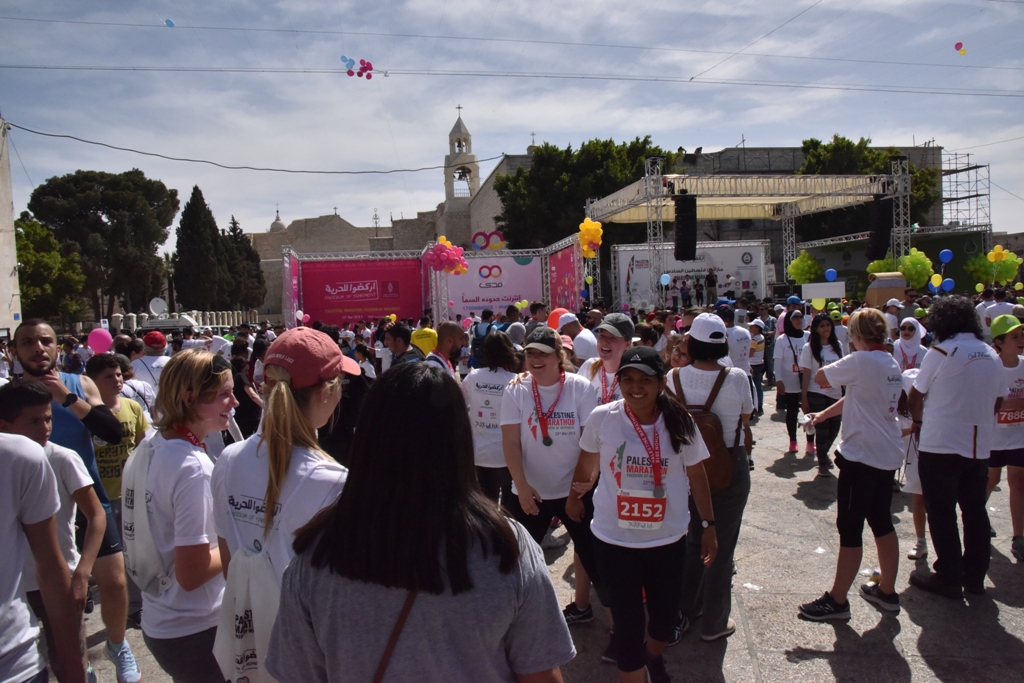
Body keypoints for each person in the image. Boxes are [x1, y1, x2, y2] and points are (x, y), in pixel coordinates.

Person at [266, 362, 575, 682]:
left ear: (366, 438)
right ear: (459, 439)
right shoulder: (506, 549)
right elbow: (542, 675)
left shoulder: (315, 557)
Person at [212, 328, 354, 682]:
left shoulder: (227, 460)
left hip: (250, 647)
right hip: (307, 657)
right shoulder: (336, 483)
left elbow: (230, 563)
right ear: (325, 392)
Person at [567, 346, 716, 683]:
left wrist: (708, 524)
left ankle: (653, 656)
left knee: (664, 622)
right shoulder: (603, 418)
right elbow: (587, 462)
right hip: (614, 540)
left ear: (661, 383)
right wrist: (575, 497)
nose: (636, 387)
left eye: (645, 380)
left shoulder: (680, 421)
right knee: (628, 625)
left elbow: (697, 474)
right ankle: (636, 666)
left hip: (667, 539)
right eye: (628, 379)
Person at [12, 319, 141, 683]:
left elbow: (112, 432)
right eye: (28, 342)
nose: (38, 348)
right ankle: (77, 663)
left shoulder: (79, 384)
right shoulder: (9, 396)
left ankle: (117, 645)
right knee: (54, 596)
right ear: (15, 351)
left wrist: (66, 399)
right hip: (35, 510)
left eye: (45, 340)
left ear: (58, 347)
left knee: (114, 583)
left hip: (87, 500)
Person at [120, 350, 234, 682]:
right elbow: (192, 572)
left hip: (162, 621)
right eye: (224, 394)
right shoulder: (191, 467)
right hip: (197, 629)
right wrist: (242, 539)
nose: (234, 403)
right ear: (190, 398)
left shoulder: (150, 445)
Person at [500, 326, 609, 647]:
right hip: (529, 495)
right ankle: (511, 631)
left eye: (543, 353)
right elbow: (510, 442)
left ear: (558, 356)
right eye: (530, 353)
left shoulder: (579, 388)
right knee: (514, 565)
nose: (535, 359)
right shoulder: (516, 389)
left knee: (597, 563)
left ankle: (620, 633)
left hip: (575, 493)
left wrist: (577, 493)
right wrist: (521, 485)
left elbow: (591, 444)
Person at [798, 308, 905, 620]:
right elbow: (857, 396)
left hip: (861, 456)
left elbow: (821, 377)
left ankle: (837, 599)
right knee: (881, 521)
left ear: (856, 335)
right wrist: (823, 414)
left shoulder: (860, 360)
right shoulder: (889, 361)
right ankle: (887, 590)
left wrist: (831, 357)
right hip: (886, 452)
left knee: (850, 526)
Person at [0, 382, 104, 683]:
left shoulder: (62, 458)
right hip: (18, 588)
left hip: (60, 581)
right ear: (5, 426)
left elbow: (97, 514)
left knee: (69, 658)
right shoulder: (11, 460)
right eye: (34, 421)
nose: (45, 427)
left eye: (48, 418)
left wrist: (83, 572)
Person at [908, 296, 1006, 598]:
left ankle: (949, 575)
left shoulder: (941, 351)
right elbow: (999, 400)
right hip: (979, 445)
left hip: (941, 443)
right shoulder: (991, 354)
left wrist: (920, 421)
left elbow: (916, 394)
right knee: (975, 511)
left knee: (941, 512)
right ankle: (975, 577)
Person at [668, 314, 752, 641]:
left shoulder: (673, 378)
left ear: (691, 343)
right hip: (729, 468)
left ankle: (684, 611)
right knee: (723, 547)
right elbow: (746, 416)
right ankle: (715, 623)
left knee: (693, 542)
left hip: (687, 472)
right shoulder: (738, 378)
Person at [460, 332, 519, 504]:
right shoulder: (516, 381)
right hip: (507, 457)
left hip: (479, 454)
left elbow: (459, 404)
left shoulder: (473, 377)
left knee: (485, 505)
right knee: (508, 506)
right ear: (509, 350)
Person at [986, 315, 1024, 561]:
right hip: (993, 438)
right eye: (1014, 337)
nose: (1021, 340)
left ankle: (1019, 538)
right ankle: (977, 518)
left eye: (1021, 336)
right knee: (991, 479)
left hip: (1019, 437)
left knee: (1019, 482)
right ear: (999, 342)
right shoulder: (991, 368)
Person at [800, 313, 844, 475]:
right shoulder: (809, 348)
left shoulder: (838, 345)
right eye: (822, 326)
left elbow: (843, 369)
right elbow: (806, 374)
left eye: (828, 325)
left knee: (834, 428)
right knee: (822, 429)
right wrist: (804, 397)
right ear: (816, 329)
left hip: (835, 392)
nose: (826, 329)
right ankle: (822, 463)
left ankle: (823, 453)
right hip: (816, 392)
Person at [773, 310, 811, 453]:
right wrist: (779, 380)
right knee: (792, 411)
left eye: (800, 317)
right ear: (789, 320)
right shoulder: (782, 339)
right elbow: (778, 361)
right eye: (795, 317)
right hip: (789, 381)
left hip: (807, 380)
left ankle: (810, 442)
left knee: (809, 411)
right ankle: (793, 440)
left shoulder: (808, 336)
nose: (798, 320)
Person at [229, 356, 263, 439]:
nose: (247, 373)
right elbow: (253, 395)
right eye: (246, 370)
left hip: (239, 417)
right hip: (250, 417)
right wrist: (266, 407)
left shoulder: (231, 380)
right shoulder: (241, 376)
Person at [748, 318, 766, 415]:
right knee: (758, 385)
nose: (750, 327)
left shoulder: (755, 339)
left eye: (752, 326)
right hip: (760, 363)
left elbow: (750, 354)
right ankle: (759, 405)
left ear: (757, 328)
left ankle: (755, 406)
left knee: (753, 386)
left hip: (753, 365)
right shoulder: (761, 337)